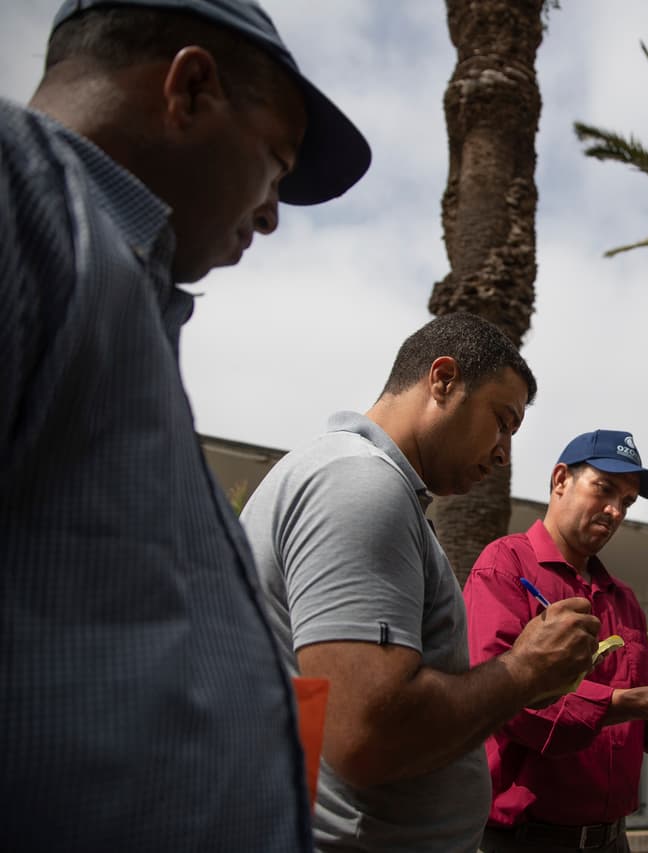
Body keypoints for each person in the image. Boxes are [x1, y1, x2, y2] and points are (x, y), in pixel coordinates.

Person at [0, 1, 369, 849]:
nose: (273, 214)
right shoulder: (26, 199)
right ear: (192, 88)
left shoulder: (120, 297)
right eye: (276, 163)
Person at [239, 312, 603, 852]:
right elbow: (367, 736)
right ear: (443, 380)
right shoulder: (358, 483)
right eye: (501, 421)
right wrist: (526, 670)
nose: (504, 454)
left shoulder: (360, 481)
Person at [464, 430, 648, 853]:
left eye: (627, 501)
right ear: (560, 481)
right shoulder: (505, 566)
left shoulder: (622, 599)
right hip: (523, 842)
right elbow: (501, 698)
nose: (615, 511)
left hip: (612, 841)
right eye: (604, 489)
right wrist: (630, 702)